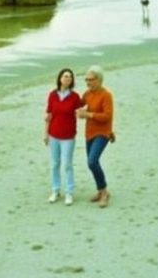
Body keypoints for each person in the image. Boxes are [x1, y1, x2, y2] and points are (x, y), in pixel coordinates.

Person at [77, 65, 114, 208]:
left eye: (90, 80)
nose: (87, 82)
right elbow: (77, 105)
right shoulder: (87, 94)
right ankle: (100, 191)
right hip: (89, 133)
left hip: (103, 133)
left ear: (98, 79)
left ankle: (104, 192)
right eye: (86, 79)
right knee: (91, 163)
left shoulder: (106, 95)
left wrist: (89, 115)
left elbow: (107, 116)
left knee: (92, 161)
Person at [44, 68, 81, 206]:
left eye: (70, 77)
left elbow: (83, 109)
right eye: (65, 76)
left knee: (67, 164)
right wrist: (45, 134)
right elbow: (48, 116)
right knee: (54, 164)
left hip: (68, 136)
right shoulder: (52, 95)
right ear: (60, 78)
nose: (68, 79)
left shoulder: (75, 97)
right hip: (54, 135)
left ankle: (69, 192)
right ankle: (55, 190)